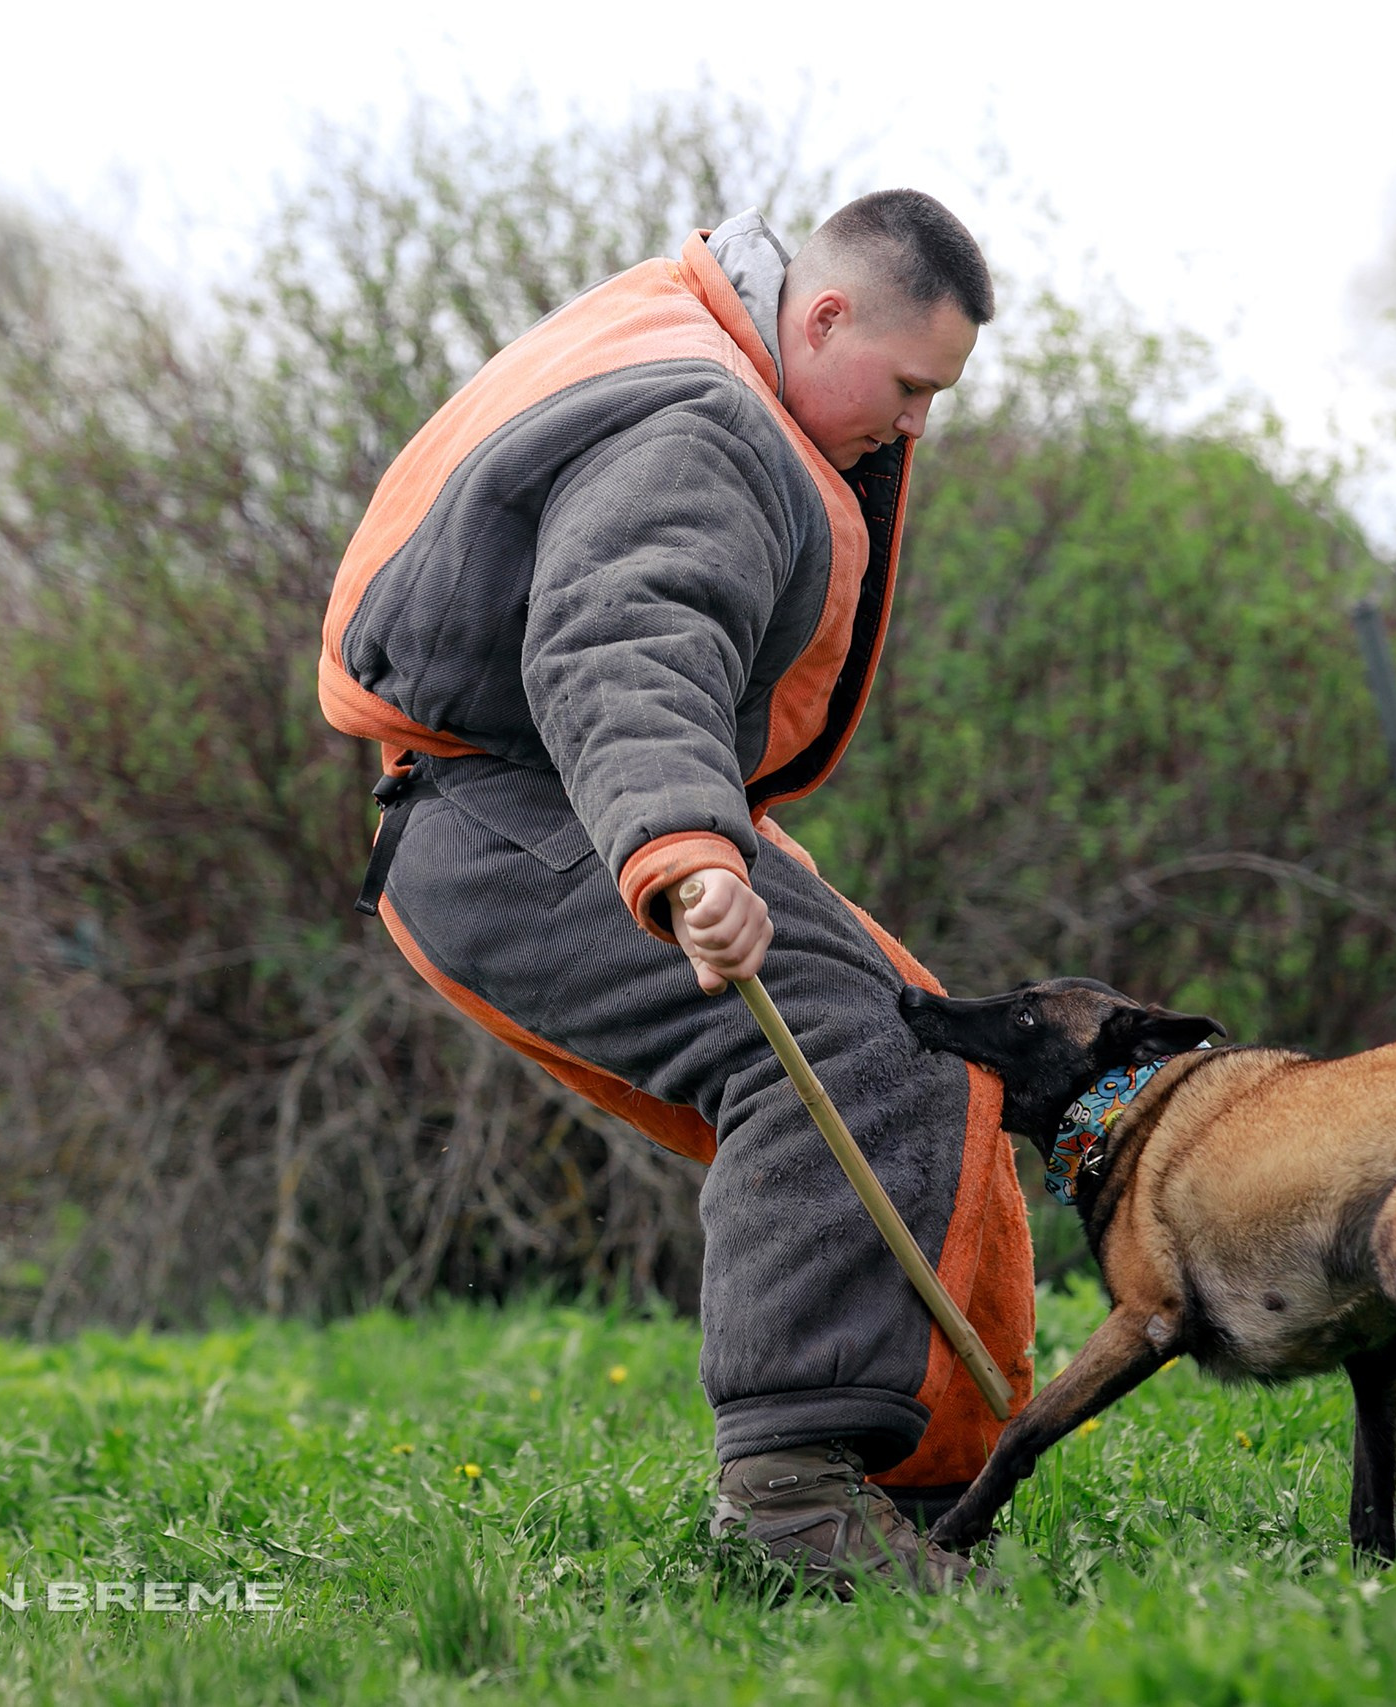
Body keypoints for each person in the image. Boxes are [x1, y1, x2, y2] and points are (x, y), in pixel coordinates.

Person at [316, 190, 1035, 1592]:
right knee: (850, 1043)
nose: (912, 428)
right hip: (510, 817)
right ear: (821, 316)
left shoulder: (695, 336)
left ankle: (924, 1486)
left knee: (926, 1049)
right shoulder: (705, 422)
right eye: (905, 388)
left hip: (537, 797)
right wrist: (691, 850)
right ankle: (789, 1509)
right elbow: (621, 638)